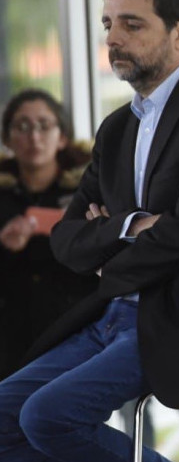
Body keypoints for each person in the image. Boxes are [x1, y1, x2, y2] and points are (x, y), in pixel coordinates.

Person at [0, 0, 179, 462]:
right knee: (6, 417)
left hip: (175, 317)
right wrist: (133, 225)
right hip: (108, 314)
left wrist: (107, 244)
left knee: (47, 416)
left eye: (132, 25)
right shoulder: (116, 129)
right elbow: (67, 240)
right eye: (108, 24)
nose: (114, 38)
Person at [0, 90, 97, 380]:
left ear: (62, 136)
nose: (34, 137)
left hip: (73, 331)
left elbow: (103, 252)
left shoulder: (87, 188)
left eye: (44, 125)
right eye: (23, 127)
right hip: (10, 335)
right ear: (7, 139)